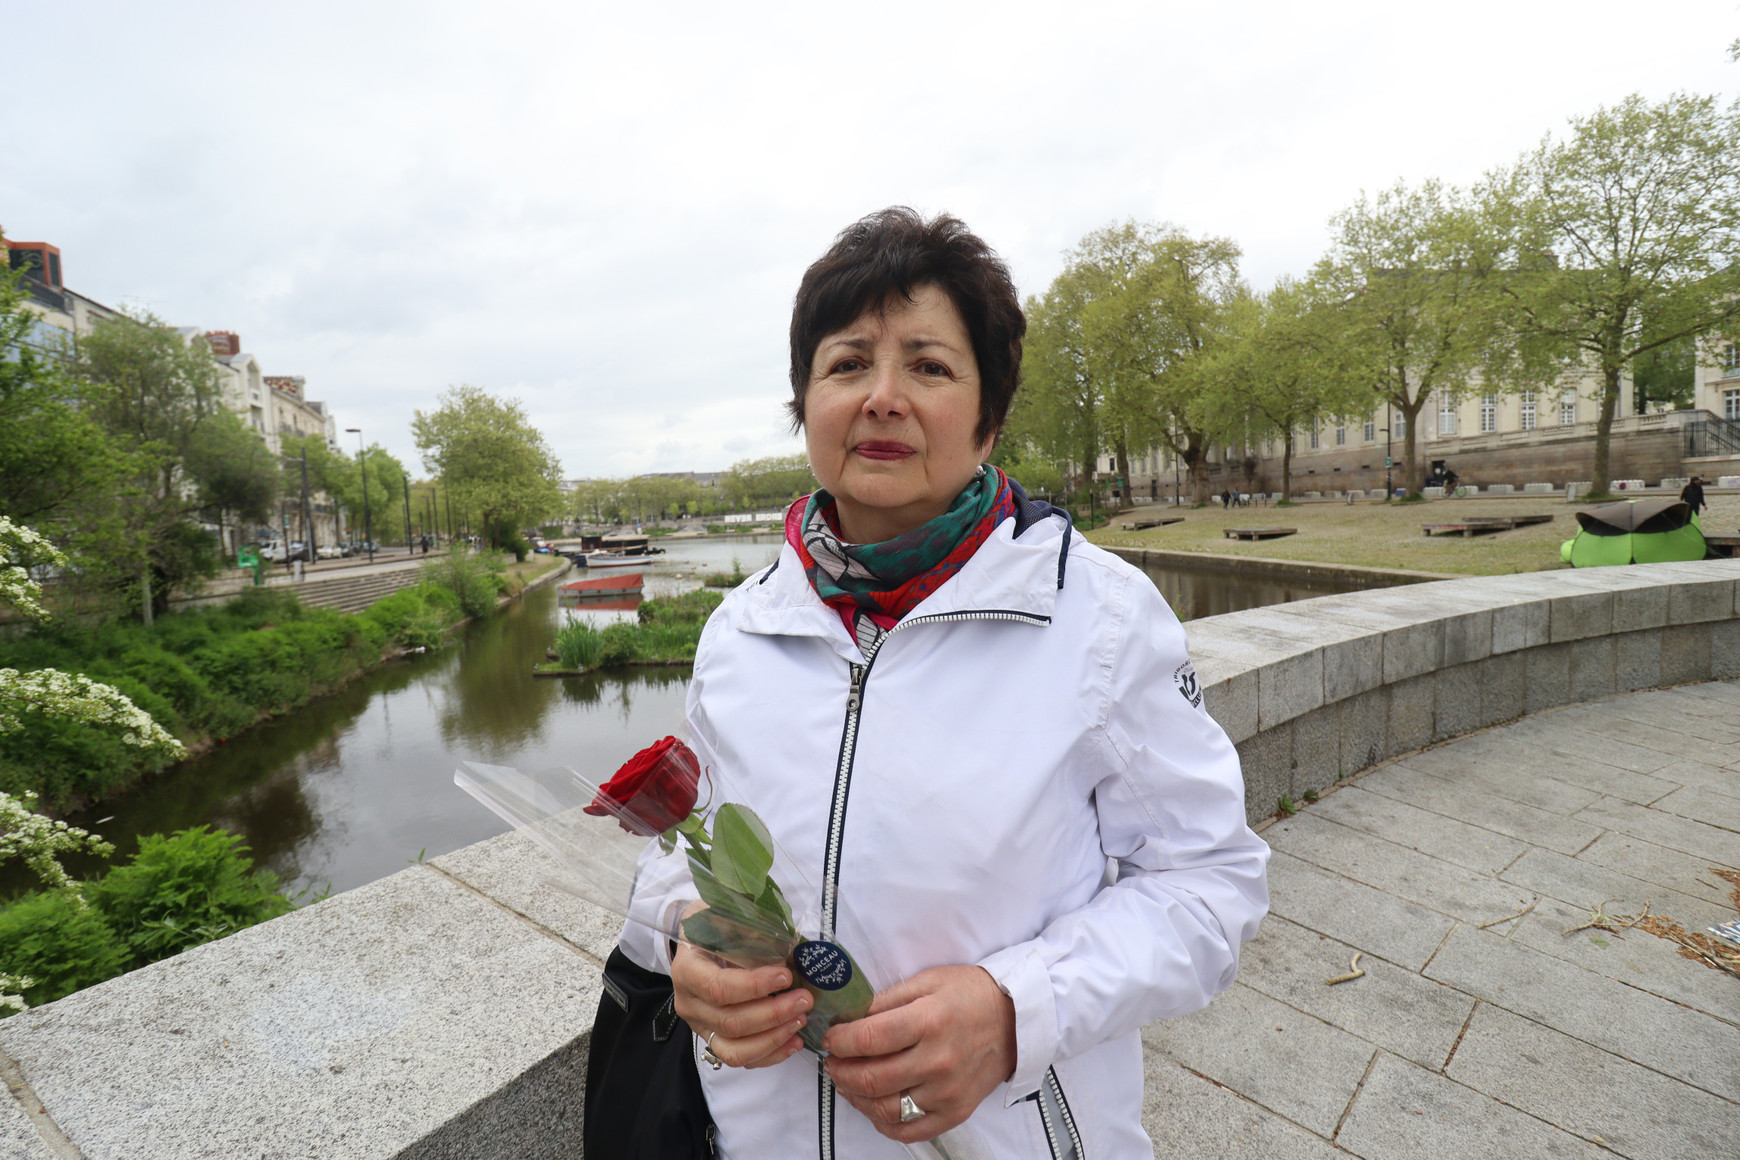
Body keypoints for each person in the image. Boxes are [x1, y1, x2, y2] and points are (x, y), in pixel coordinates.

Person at [624, 208, 1269, 1158]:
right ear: (806, 405)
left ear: (989, 414)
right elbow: (687, 859)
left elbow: (1211, 887)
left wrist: (1017, 1008)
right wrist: (680, 938)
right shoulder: (739, 630)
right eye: (847, 364)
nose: (883, 397)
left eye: (928, 366)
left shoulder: (1099, 618)